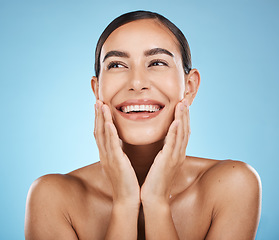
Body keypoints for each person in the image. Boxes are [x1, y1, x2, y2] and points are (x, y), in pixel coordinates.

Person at [25, 10, 262, 240]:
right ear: (97, 90)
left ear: (189, 87)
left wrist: (156, 202)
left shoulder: (232, 185)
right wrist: (125, 202)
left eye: (157, 62)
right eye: (117, 65)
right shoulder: (52, 198)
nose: (137, 83)